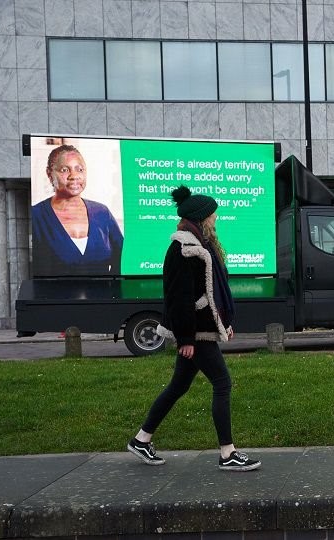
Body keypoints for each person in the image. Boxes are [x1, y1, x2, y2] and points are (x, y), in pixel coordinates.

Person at [127, 185, 260, 472]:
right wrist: (186, 338)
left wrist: (223, 323)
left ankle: (141, 439)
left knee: (178, 386)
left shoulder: (202, 245)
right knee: (222, 383)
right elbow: (179, 299)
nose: (216, 219)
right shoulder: (182, 250)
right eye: (213, 215)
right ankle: (228, 454)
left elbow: (213, 293)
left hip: (202, 329)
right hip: (195, 334)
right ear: (201, 218)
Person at [31, 144, 124, 276]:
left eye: (80, 169)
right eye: (64, 170)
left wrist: (113, 291)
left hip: (102, 295)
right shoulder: (36, 216)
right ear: (49, 174)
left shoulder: (102, 213)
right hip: (56, 296)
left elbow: (122, 259)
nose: (74, 176)